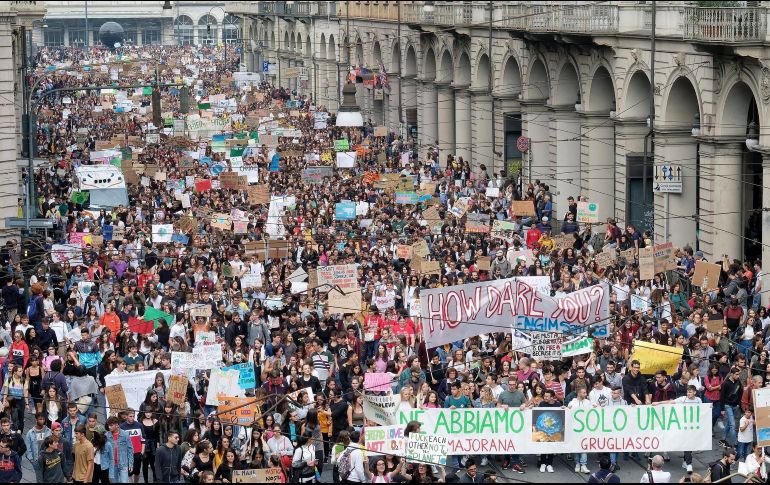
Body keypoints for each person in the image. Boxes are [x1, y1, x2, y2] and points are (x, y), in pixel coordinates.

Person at [24, 413, 51, 482]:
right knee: (39, 479)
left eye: (43, 419)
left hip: (48, 459)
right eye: (40, 419)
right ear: (36, 420)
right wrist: (32, 460)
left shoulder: (49, 431)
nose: (42, 421)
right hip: (37, 460)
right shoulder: (30, 433)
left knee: (48, 478)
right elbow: (27, 448)